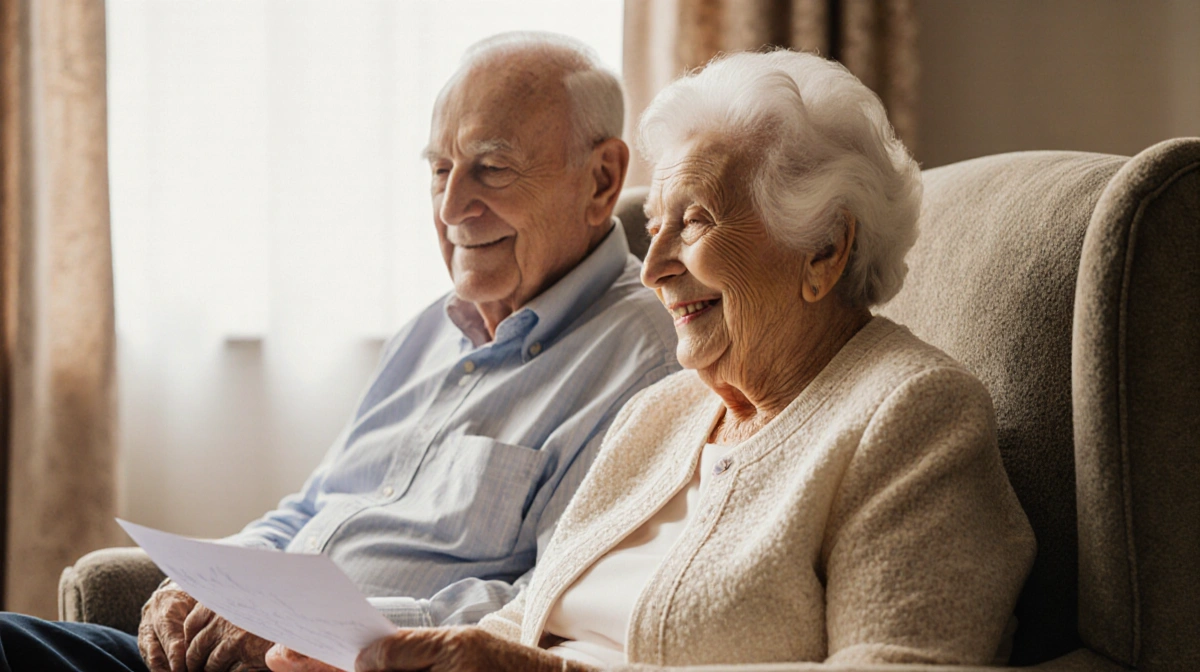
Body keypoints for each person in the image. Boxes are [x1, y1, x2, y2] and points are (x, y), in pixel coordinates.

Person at [268, 49, 1037, 672]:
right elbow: (522, 619)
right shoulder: (662, 413)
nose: (655, 262)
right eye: (656, 223)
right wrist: (393, 655)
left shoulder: (911, 419)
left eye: (694, 221)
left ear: (825, 249)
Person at [0, 32, 679, 672]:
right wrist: (206, 581)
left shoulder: (649, 361)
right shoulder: (429, 330)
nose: (449, 207)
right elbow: (310, 508)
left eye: (491, 169)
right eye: (439, 170)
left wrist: (312, 626)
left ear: (601, 180)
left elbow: (550, 605)